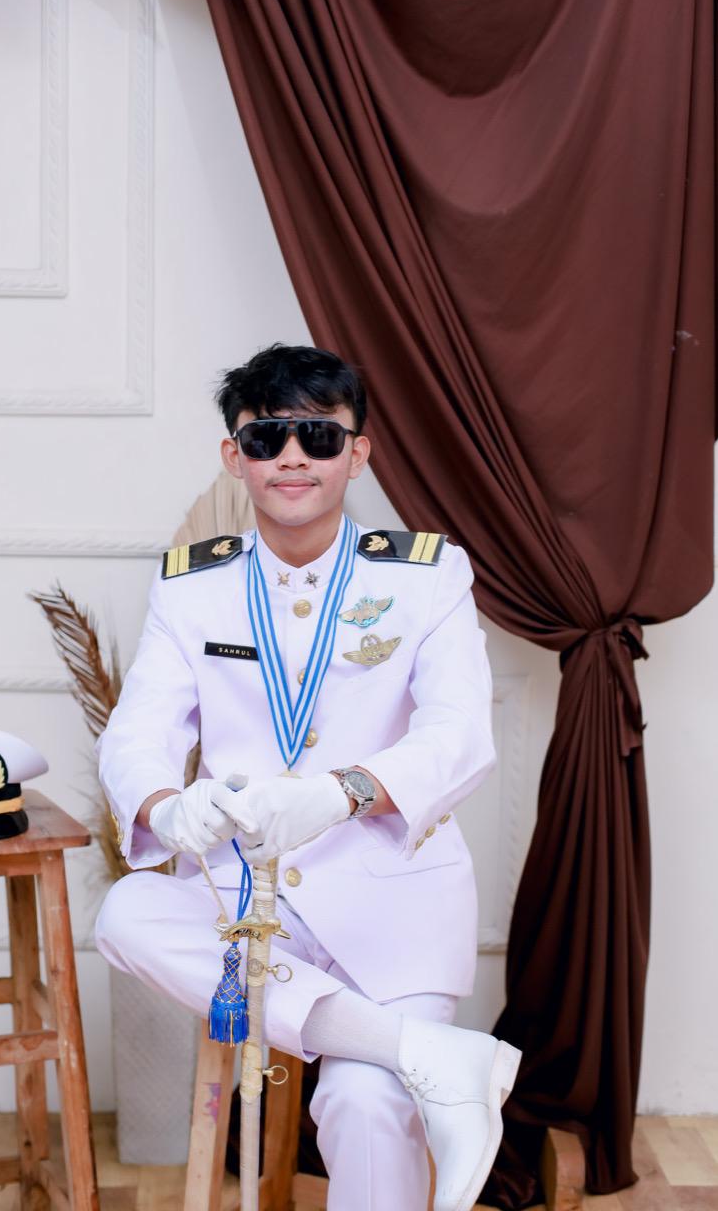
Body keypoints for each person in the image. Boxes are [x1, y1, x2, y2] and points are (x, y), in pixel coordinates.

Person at [94, 343, 521, 1211]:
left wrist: (340, 792)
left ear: (357, 454)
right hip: (248, 907)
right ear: (235, 456)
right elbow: (137, 732)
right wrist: (166, 807)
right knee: (126, 911)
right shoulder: (192, 588)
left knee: (364, 1102)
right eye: (267, 438)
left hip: (394, 905)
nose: (292, 456)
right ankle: (428, 1054)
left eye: (318, 437)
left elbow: (459, 735)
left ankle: (398, 1056)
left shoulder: (426, 575)